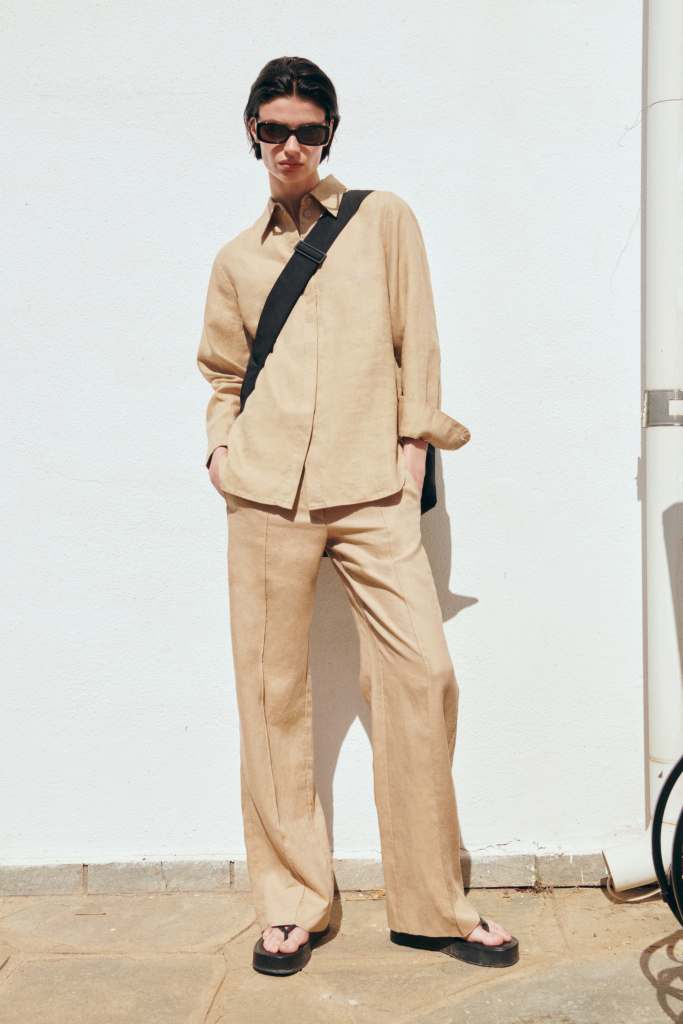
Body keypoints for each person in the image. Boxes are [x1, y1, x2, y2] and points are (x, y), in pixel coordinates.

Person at [197, 56, 518, 975]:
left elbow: (418, 338)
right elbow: (222, 373)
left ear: (329, 133)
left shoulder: (383, 221)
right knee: (271, 698)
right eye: (273, 130)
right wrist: (221, 451)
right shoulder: (236, 260)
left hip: (373, 491)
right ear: (253, 134)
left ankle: (432, 904)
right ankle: (292, 903)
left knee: (422, 678)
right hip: (265, 495)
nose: (289, 146)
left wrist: (412, 451)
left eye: (306, 130)